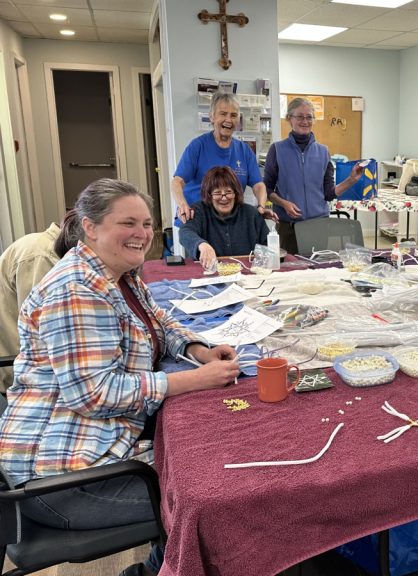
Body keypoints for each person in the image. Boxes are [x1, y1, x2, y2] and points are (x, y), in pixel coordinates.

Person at [0, 179, 241, 576]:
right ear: (89, 226)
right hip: (63, 480)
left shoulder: (117, 273)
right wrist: (195, 380)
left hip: (97, 447)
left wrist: (197, 350)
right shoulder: (76, 290)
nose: (142, 234)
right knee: (215, 502)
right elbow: (94, 394)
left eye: (146, 224)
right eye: (128, 223)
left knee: (208, 452)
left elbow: (158, 323)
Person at [264, 97, 364, 254]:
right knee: (289, 274)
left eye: (309, 117)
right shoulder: (277, 150)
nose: (305, 121)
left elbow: (329, 193)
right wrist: (284, 204)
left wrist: (351, 180)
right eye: (300, 116)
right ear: (290, 119)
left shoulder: (323, 152)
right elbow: (267, 189)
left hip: (318, 225)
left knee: (317, 271)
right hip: (288, 227)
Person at [0, 214, 80, 393]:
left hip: (34, 363)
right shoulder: (42, 255)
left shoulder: (48, 248)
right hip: (23, 371)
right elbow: (44, 330)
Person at [172, 91, 272, 224]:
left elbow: (258, 185)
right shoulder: (197, 146)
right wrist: (183, 205)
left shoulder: (244, 150)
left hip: (230, 224)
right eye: (223, 114)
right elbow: (177, 182)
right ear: (212, 117)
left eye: (234, 115)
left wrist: (261, 206)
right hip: (198, 221)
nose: (229, 120)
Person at [179, 165, 269, 269]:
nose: (224, 198)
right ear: (209, 195)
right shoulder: (199, 211)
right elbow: (184, 232)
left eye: (228, 192)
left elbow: (268, 246)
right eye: (217, 193)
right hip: (209, 273)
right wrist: (202, 245)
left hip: (247, 274)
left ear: (236, 193)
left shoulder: (252, 214)